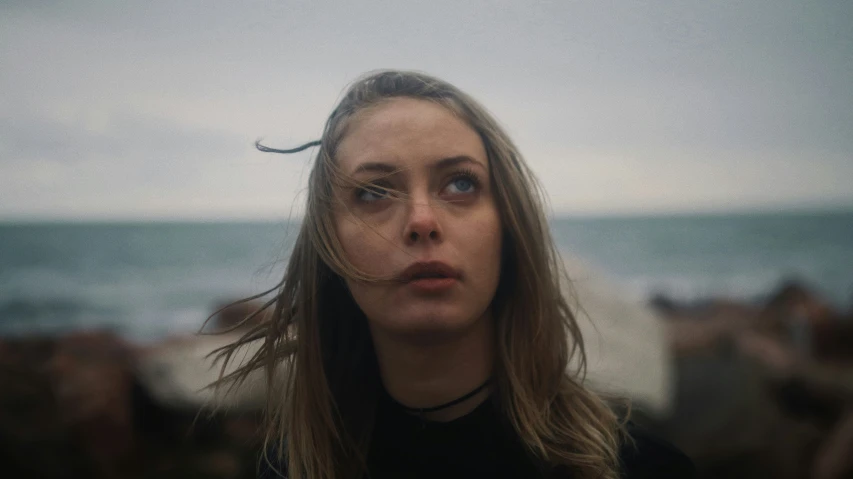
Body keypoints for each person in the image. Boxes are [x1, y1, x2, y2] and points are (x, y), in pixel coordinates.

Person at [215, 70, 695, 478]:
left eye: (461, 183)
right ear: (329, 244)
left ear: (509, 228)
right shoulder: (290, 469)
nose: (422, 220)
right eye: (374, 192)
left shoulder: (638, 468)